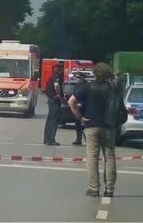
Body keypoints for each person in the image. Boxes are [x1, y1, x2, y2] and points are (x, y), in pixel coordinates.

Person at [68, 62, 116, 197]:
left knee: (92, 158)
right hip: (108, 127)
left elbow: (71, 101)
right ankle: (109, 189)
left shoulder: (87, 87)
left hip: (91, 126)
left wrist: (80, 117)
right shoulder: (112, 89)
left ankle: (94, 189)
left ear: (95, 73)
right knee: (109, 157)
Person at [43, 64, 64, 146]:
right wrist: (59, 95)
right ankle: (51, 140)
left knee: (49, 120)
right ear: (58, 70)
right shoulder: (56, 76)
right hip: (55, 100)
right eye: (61, 69)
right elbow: (56, 85)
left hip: (51, 99)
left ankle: (47, 139)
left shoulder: (51, 76)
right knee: (54, 120)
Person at [72, 71, 88, 145]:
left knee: (86, 125)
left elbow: (88, 98)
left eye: (79, 77)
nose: (77, 79)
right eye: (76, 77)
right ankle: (78, 139)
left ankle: (89, 140)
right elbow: (74, 96)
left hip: (85, 108)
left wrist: (82, 104)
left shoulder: (87, 86)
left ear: (83, 78)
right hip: (77, 108)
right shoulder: (76, 86)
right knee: (78, 124)